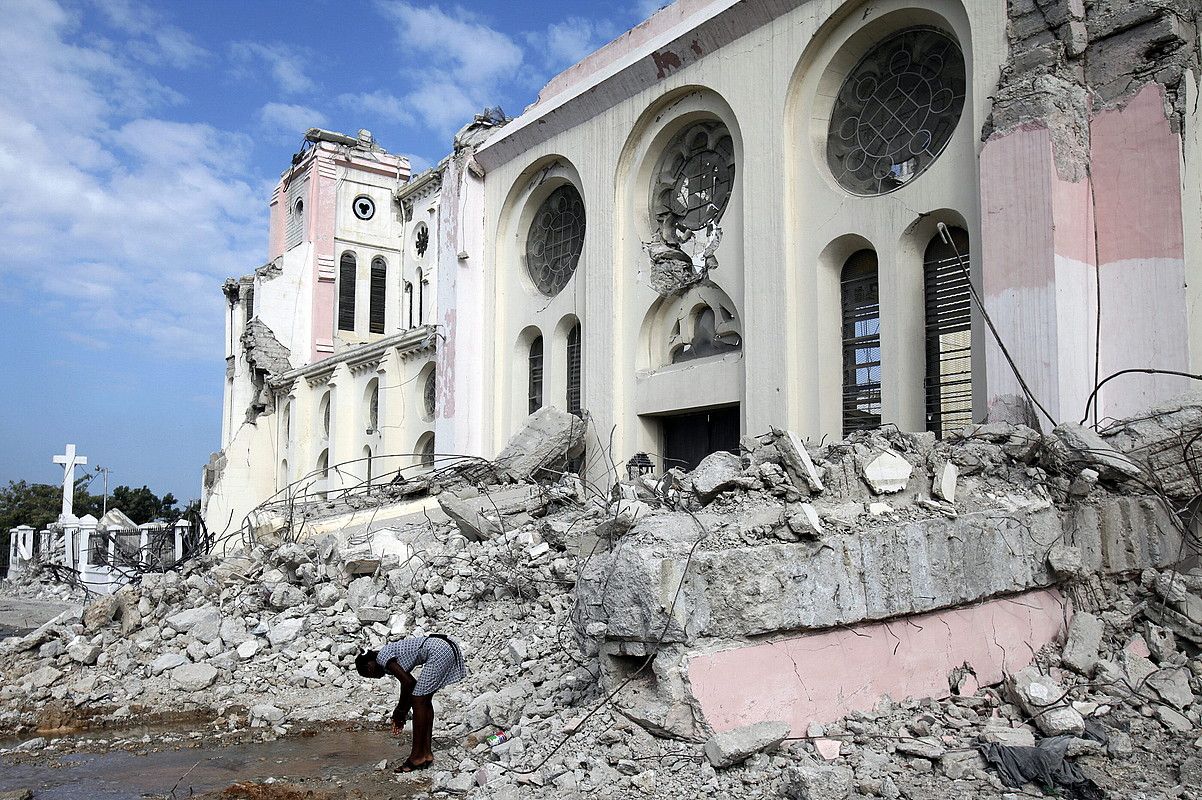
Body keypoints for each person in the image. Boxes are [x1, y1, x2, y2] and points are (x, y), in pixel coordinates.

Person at [354, 634, 467, 772]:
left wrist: (400, 712)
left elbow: (410, 683)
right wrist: (400, 712)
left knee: (419, 700)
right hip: (444, 646)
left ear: (369, 664)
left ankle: (416, 757)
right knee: (424, 700)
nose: (374, 676)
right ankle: (426, 754)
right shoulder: (386, 657)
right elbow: (406, 683)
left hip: (438, 650)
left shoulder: (382, 658)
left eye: (369, 673)